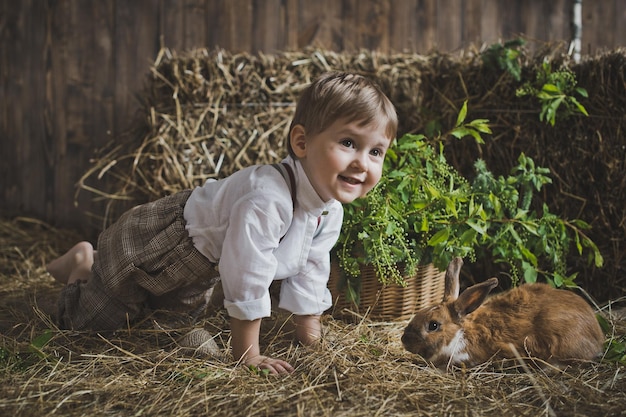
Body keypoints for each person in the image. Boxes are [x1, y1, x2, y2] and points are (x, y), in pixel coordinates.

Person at [46, 71, 398, 375]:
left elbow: (312, 267)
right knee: (92, 326)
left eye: (376, 151)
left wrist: (310, 339)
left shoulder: (329, 209)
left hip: (199, 268)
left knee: (156, 328)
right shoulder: (268, 198)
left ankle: (103, 275)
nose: (362, 163)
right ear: (302, 142)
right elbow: (247, 273)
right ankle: (83, 263)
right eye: (349, 143)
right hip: (159, 244)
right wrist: (249, 355)